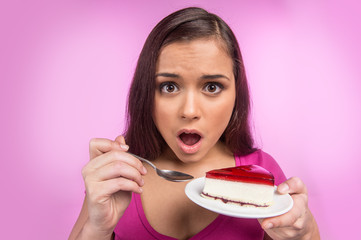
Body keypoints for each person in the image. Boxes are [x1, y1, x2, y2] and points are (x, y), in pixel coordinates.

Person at [69, 7, 320, 240]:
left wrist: (304, 231)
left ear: (236, 95)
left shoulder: (262, 172)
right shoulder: (120, 175)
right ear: (146, 93)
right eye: (169, 87)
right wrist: (97, 229)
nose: (189, 111)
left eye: (212, 87)